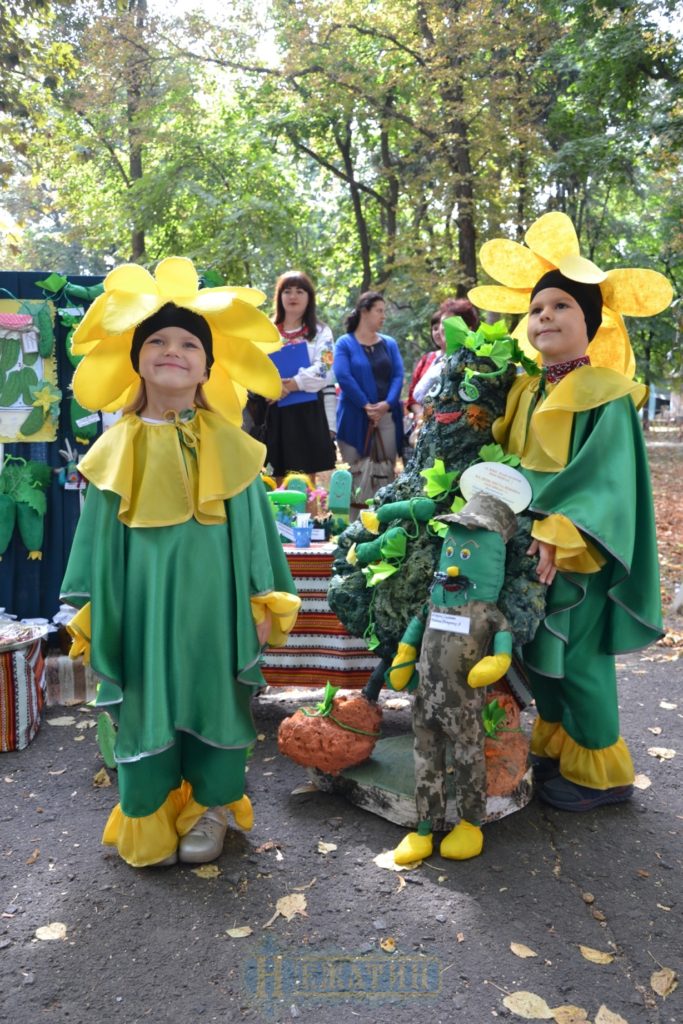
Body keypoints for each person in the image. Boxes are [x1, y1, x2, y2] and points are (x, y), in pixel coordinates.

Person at [60, 258, 301, 868]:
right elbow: (96, 541)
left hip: (215, 609)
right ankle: (150, 814)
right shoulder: (114, 446)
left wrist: (261, 598)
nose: (173, 351)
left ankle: (211, 807)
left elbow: (254, 531)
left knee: (214, 693)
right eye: (158, 341)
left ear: (208, 366)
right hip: (140, 606)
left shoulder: (231, 443)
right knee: (145, 695)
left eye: (189, 343)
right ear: (137, 358)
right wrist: (96, 617)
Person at [469, 212, 673, 812]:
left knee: (578, 655)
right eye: (535, 310)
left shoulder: (605, 393)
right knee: (540, 652)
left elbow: (605, 480)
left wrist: (560, 530)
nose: (544, 318)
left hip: (575, 549)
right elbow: (509, 461)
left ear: (590, 321)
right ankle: (558, 745)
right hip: (526, 544)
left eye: (560, 307)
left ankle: (602, 772)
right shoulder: (528, 389)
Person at [259, 270, 336, 482]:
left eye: (300, 291)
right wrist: (273, 388)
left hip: (307, 412)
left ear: (309, 298)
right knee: (273, 478)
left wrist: (290, 385)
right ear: (279, 296)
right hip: (273, 412)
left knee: (304, 481)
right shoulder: (266, 331)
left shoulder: (321, 331)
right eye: (288, 291)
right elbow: (254, 366)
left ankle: (307, 517)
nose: (293, 296)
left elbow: (325, 368)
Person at [333, 291, 405, 503]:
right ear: (364, 311)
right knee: (355, 472)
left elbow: (398, 375)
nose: (383, 316)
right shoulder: (344, 343)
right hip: (353, 417)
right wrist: (366, 405)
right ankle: (354, 523)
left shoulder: (389, 343)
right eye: (379, 311)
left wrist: (385, 405)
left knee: (385, 470)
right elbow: (343, 376)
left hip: (387, 417)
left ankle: (384, 520)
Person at [409, 298, 480, 421]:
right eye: (442, 322)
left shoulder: (477, 360)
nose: (442, 328)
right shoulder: (440, 361)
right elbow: (417, 395)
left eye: (450, 322)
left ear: (468, 328)